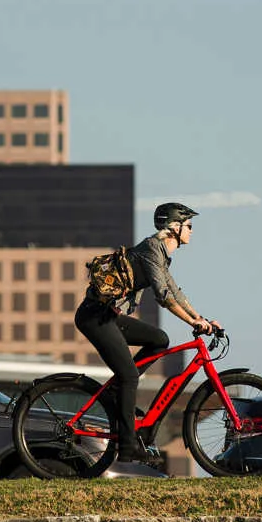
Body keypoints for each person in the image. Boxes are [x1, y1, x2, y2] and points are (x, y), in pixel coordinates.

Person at [74, 201, 224, 476]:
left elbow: (175, 292)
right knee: (130, 376)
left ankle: (119, 390)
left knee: (159, 339)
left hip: (107, 316)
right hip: (94, 317)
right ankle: (128, 446)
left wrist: (201, 318)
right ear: (175, 227)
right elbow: (163, 296)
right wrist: (192, 322)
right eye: (189, 226)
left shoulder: (161, 254)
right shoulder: (151, 250)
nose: (192, 231)